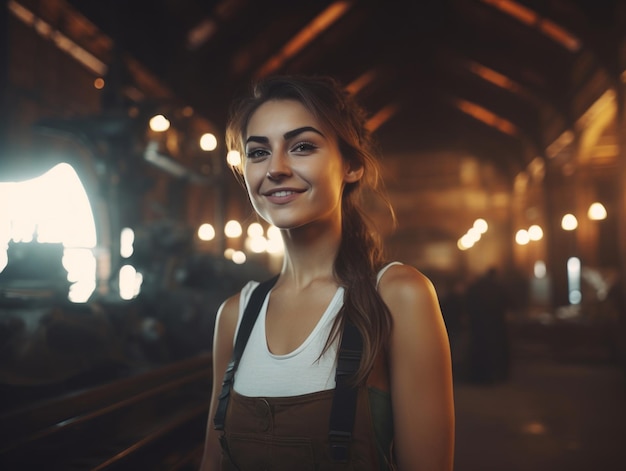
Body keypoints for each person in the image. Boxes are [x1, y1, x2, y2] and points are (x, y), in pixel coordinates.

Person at [199, 75, 454, 470]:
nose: (276, 169)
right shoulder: (235, 314)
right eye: (258, 152)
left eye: (302, 147)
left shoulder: (399, 295)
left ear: (351, 165)